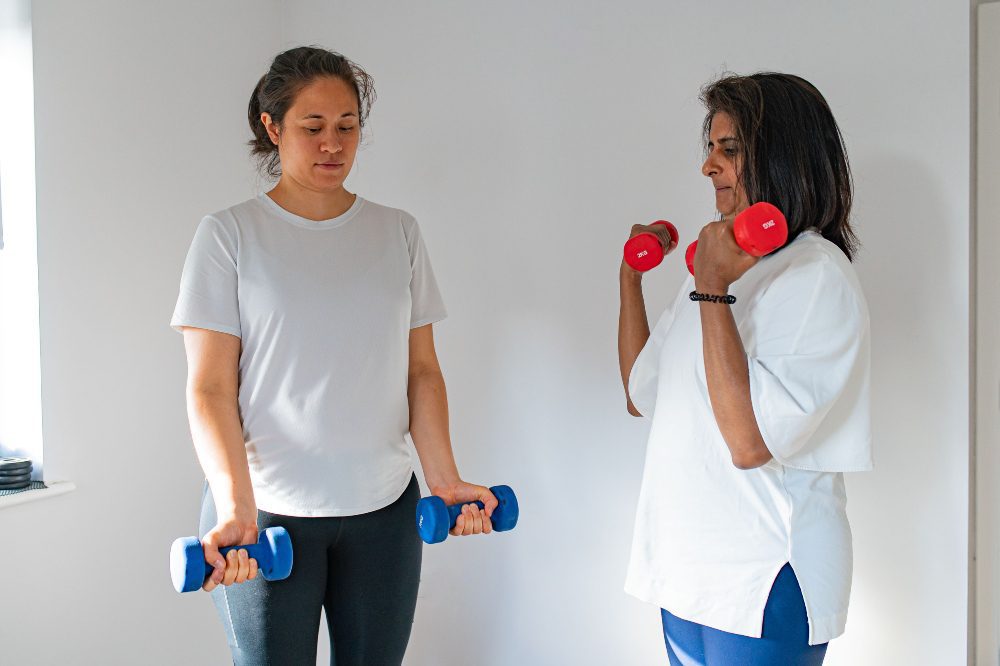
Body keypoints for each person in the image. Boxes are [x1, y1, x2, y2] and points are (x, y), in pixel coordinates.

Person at [171, 45, 497, 666]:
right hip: (268, 512)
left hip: (384, 512)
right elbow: (209, 389)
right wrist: (237, 506)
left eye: (347, 126)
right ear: (273, 127)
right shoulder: (229, 235)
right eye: (313, 127)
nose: (333, 144)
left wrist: (446, 481)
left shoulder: (397, 231)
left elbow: (421, 372)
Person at [617, 73, 872, 665]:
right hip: (687, 569)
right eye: (709, 147)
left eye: (728, 150)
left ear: (783, 157)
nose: (709, 167)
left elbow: (751, 442)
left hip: (764, 576)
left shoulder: (815, 276)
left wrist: (711, 288)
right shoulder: (721, 264)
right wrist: (630, 281)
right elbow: (641, 392)